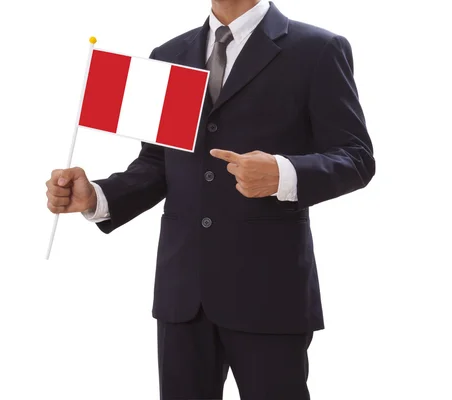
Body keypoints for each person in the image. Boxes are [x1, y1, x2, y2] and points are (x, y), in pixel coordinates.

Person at [45, 0, 375, 398]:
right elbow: (156, 164)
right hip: (183, 291)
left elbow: (356, 158)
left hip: (269, 290)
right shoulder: (168, 56)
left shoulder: (318, 49)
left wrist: (282, 173)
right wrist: (96, 195)